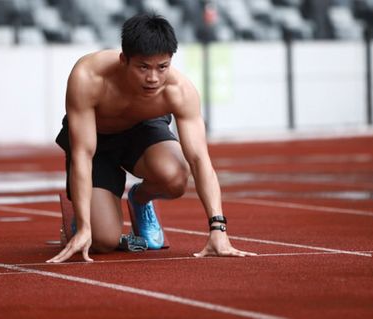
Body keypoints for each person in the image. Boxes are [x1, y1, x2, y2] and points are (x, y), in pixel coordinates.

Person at [46, 12, 256, 263]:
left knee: (176, 176)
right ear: (124, 60)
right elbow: (83, 154)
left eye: (162, 67)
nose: (153, 78)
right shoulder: (88, 77)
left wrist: (218, 229)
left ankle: (140, 199)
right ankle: (80, 216)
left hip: (141, 130)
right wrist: (84, 227)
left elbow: (199, 159)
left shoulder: (179, 91)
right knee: (102, 241)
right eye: (143, 67)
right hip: (98, 143)